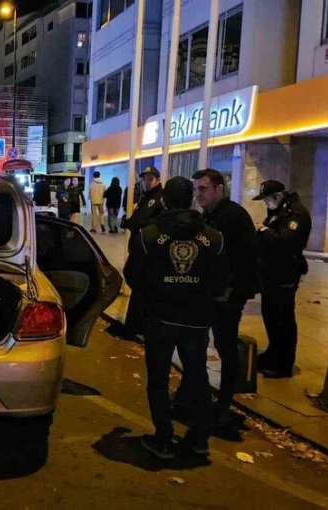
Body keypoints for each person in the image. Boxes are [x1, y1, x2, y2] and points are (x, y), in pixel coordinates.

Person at [124, 176, 229, 459]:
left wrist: (154, 294)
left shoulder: (148, 235)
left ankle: (163, 437)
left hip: (159, 317)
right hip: (196, 319)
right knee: (197, 377)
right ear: (191, 199)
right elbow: (221, 280)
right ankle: (199, 439)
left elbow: (132, 275)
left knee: (158, 379)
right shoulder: (213, 238)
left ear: (166, 201)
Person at [171, 169, 257, 431]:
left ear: (219, 189)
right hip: (213, 295)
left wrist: (229, 291)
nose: (199, 194)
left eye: (204, 189)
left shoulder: (232, 216)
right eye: (196, 189)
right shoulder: (212, 215)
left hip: (227, 297)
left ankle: (222, 405)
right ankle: (191, 397)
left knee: (225, 348)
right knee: (197, 345)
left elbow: (244, 259)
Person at [253, 180, 312, 378]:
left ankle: (283, 363)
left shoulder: (295, 214)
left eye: (267, 199)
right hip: (271, 273)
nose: (265, 204)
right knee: (271, 315)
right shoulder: (280, 210)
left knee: (282, 317)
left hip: (285, 273)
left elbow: (286, 241)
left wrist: (263, 230)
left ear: (278, 196)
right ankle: (273, 354)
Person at [123, 166, 165, 339]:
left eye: (150, 178)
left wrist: (131, 223)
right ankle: (135, 326)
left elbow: (144, 220)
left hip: (147, 250)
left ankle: (136, 327)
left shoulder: (157, 198)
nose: (146, 182)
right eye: (145, 178)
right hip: (140, 246)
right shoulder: (147, 196)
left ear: (157, 179)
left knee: (141, 289)